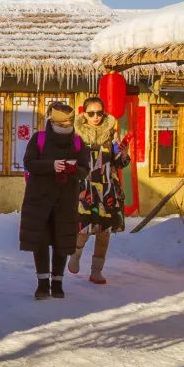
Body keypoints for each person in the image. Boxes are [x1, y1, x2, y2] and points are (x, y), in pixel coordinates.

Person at [20, 102, 90, 299]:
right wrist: (52, 166)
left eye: (69, 123)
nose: (66, 127)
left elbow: (85, 169)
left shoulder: (77, 142)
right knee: (40, 241)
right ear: (53, 121)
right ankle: (42, 283)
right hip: (39, 199)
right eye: (63, 123)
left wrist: (73, 169)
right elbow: (29, 163)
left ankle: (57, 282)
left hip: (66, 199)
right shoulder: (39, 139)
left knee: (63, 240)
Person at [69, 96, 131, 284]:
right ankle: (76, 254)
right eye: (91, 113)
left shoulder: (112, 135)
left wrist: (124, 153)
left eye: (99, 113)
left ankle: (96, 271)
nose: (96, 117)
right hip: (85, 187)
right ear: (84, 115)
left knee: (104, 231)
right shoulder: (76, 136)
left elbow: (119, 163)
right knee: (83, 229)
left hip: (107, 188)